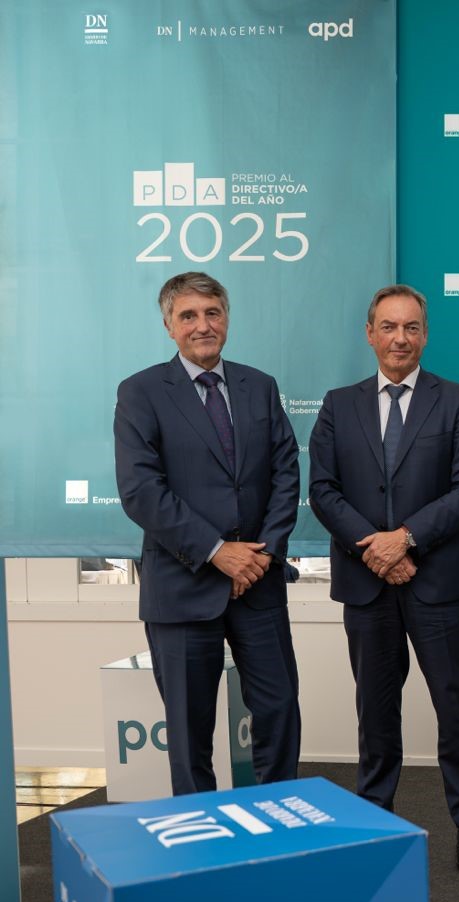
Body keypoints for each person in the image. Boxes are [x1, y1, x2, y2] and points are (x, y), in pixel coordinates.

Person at [309, 284, 459, 873]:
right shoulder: (339, 404)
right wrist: (378, 550)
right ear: (370, 333)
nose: (400, 338)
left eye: (411, 327)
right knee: (376, 710)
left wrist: (405, 539)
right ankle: (377, 823)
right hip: (368, 586)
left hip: (440, 583)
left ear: (425, 334)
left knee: (457, 710)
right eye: (388, 327)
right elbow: (323, 491)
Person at [113, 272, 302, 795]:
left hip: (258, 583)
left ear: (227, 318)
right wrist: (218, 552)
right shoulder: (141, 392)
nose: (203, 325)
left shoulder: (258, 386)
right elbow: (141, 491)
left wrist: (259, 556)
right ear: (169, 326)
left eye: (212, 313)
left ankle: (277, 818)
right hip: (183, 587)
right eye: (188, 316)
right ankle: (203, 841)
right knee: (190, 731)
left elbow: (286, 472)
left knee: (280, 709)